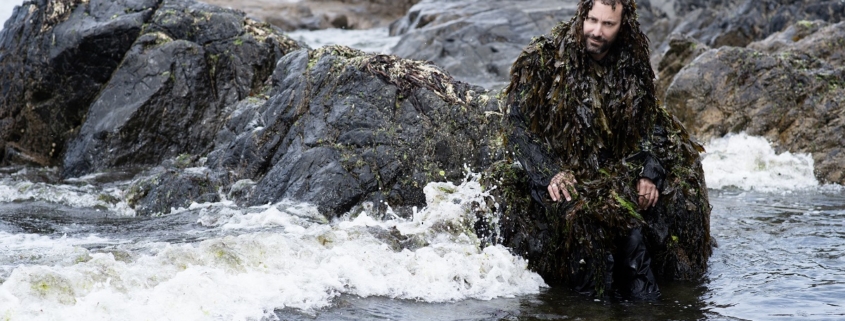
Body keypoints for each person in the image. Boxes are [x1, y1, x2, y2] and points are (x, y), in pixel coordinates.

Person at [504, 0, 672, 299]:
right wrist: (550, 172)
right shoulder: (544, 58)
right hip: (557, 172)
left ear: (623, 26)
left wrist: (649, 171)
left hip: (611, 175)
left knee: (634, 239)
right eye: (592, 20)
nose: (596, 31)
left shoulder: (632, 64)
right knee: (586, 237)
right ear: (582, 16)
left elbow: (651, 125)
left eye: (608, 24)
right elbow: (516, 125)